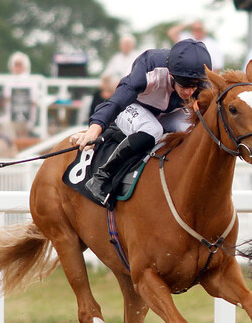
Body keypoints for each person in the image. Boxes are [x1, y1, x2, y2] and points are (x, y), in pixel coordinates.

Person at [71, 39, 212, 205]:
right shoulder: (150, 66)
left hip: (167, 113)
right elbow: (115, 102)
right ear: (171, 74)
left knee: (193, 130)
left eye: (195, 85)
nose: (189, 91)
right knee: (153, 129)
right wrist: (93, 131)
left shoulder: (202, 82)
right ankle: (102, 177)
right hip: (131, 107)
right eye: (184, 84)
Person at [2, 51, 39, 138]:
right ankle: (12, 146)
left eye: (20, 65)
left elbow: (34, 102)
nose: (17, 67)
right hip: (11, 117)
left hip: (27, 117)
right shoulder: (8, 81)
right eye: (15, 65)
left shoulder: (31, 81)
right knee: (4, 122)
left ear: (25, 66)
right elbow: (6, 100)